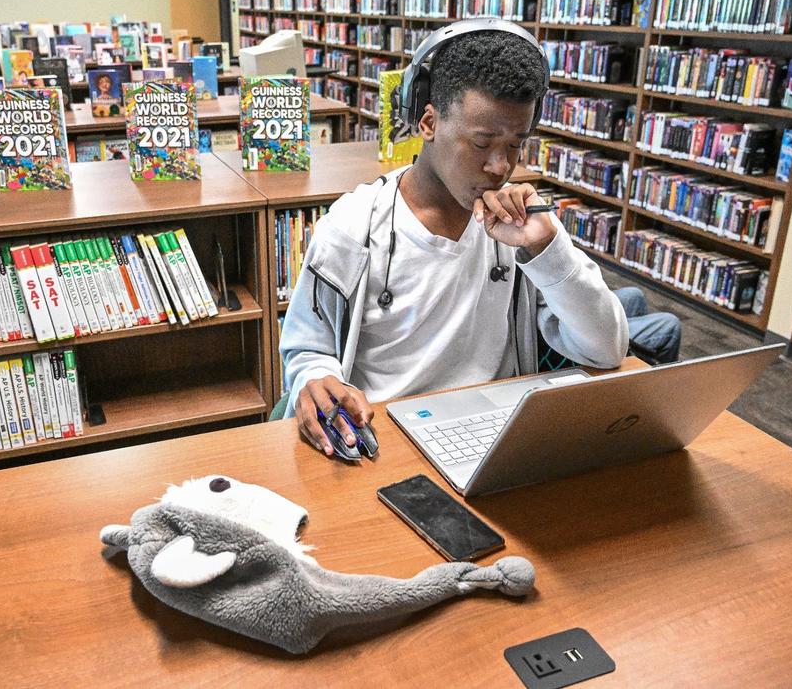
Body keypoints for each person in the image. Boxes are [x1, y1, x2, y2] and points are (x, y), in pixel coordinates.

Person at [278, 23, 630, 457]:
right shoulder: (353, 227)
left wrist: (548, 250)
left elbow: (607, 349)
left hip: (497, 437)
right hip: (383, 438)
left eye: (516, 145)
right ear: (428, 122)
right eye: (481, 143)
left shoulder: (520, 229)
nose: (501, 166)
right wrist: (313, 376)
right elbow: (307, 347)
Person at [613, 287, 681, 364]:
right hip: (600, 333)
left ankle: (641, 361)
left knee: (634, 294)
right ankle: (665, 374)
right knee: (671, 324)